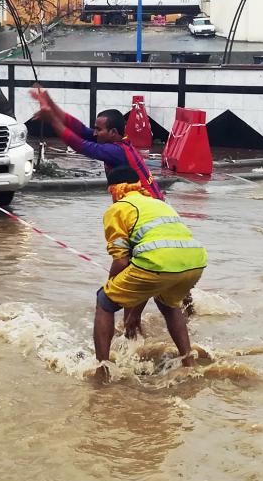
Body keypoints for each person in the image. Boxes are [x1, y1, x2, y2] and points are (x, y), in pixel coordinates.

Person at [94, 166, 207, 379]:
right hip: (195, 261)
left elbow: (121, 261)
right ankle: (188, 362)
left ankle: (103, 369)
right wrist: (133, 314)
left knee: (104, 301)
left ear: (114, 190)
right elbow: (145, 280)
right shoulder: (159, 203)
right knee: (169, 305)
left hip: (157, 262)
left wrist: (111, 289)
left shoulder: (118, 209)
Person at [30, 86, 163, 199]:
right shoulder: (116, 142)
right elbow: (80, 130)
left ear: (113, 132)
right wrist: (51, 104)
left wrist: (52, 120)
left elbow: (80, 145)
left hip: (149, 208)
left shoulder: (116, 151)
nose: (94, 133)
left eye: (98, 129)